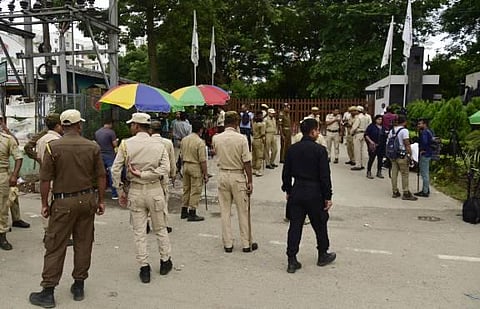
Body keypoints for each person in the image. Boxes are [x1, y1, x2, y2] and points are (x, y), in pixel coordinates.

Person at [29, 109, 106, 308]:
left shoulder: (52, 147)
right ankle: (79, 285)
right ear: (79, 125)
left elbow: (46, 179)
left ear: (62, 126)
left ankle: (48, 291)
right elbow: (101, 176)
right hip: (87, 199)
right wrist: (101, 200)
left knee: (55, 245)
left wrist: (45, 203)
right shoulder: (92, 147)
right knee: (83, 242)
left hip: (63, 202)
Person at [111, 112, 173, 284]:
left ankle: (144, 267)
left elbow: (115, 169)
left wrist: (120, 190)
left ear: (136, 126)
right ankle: (165, 261)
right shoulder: (159, 145)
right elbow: (165, 169)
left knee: (139, 231)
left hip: (135, 191)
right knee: (160, 228)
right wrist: (146, 174)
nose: (131, 127)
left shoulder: (125, 144)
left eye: (132, 124)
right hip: (155, 190)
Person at [281, 118, 336, 274]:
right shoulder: (320, 150)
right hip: (315, 191)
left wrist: (288, 190)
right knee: (320, 224)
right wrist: (328, 196)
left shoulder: (292, 149)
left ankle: (291, 259)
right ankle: (322, 254)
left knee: (295, 226)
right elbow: (325, 176)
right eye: (317, 130)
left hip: (297, 189)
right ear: (312, 132)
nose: (318, 133)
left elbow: (286, 173)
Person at [212, 111, 258, 253]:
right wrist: (250, 181)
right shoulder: (242, 139)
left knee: (225, 211)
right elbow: (247, 162)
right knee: (242, 210)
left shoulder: (216, 138)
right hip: (237, 176)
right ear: (237, 122)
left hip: (223, 174)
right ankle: (246, 243)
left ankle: (228, 243)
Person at [36, 113, 66, 241]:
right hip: (55, 176)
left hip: (45, 174)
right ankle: (51, 234)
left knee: (46, 203)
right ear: (58, 126)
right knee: (55, 204)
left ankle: (48, 231)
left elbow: (38, 156)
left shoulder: (41, 139)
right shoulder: (56, 141)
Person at [0, 115, 30, 229]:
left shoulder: (6, 137)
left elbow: (16, 145)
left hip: (5, 171)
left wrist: (7, 130)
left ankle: (15, 219)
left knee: (12, 195)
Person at [0, 119, 23, 250]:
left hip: (2, 175)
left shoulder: (7, 139)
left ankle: (2, 235)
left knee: (2, 207)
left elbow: (18, 157)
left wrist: (14, 175)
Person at [180, 120, 208, 221]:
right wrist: (205, 174)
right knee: (195, 190)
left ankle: (184, 210)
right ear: (200, 130)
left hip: (186, 165)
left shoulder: (184, 139)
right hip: (195, 166)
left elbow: (181, 154)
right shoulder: (200, 142)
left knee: (186, 189)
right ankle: (192, 212)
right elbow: (202, 160)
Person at [150, 120, 176, 232]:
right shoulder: (168, 143)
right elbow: (172, 161)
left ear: (150, 130)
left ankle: (147, 222)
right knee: (164, 199)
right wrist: (173, 174)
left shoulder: (147, 142)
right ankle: (164, 223)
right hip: (163, 174)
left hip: (150, 174)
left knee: (149, 198)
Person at [388, 114, 418, 201]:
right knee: (404, 174)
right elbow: (407, 143)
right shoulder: (404, 131)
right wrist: (410, 154)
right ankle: (406, 192)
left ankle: (395, 191)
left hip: (393, 155)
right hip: (402, 155)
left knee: (394, 173)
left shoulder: (392, 131)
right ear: (404, 122)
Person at [95, 118, 119, 199]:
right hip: (109, 155)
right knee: (112, 173)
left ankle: (101, 191)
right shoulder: (111, 132)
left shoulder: (97, 132)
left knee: (101, 174)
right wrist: (117, 141)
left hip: (100, 155)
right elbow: (115, 144)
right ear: (110, 124)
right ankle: (114, 193)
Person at [415, 118, 433, 197]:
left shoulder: (425, 132)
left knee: (424, 173)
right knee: (425, 172)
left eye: (420, 124)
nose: (418, 125)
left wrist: (423, 150)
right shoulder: (429, 131)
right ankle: (426, 189)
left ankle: (425, 191)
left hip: (425, 154)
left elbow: (425, 142)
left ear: (424, 124)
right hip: (428, 154)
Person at [364, 115, 386, 179]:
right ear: (375, 120)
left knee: (380, 159)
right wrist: (371, 142)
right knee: (371, 158)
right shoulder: (371, 126)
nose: (380, 121)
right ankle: (369, 171)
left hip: (381, 145)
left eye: (381, 119)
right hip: (373, 145)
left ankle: (379, 172)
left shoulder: (383, 127)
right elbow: (366, 135)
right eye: (378, 119)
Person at [350, 106, 370, 171]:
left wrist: (351, 132)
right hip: (364, 133)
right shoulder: (365, 117)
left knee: (357, 150)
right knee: (361, 150)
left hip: (358, 134)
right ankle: (361, 164)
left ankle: (358, 165)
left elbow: (354, 127)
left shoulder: (358, 117)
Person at [252, 111, 266, 177]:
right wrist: (264, 141)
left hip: (254, 139)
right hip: (259, 140)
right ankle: (258, 169)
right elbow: (263, 134)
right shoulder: (262, 124)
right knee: (259, 156)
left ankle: (253, 168)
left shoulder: (254, 123)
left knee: (254, 155)